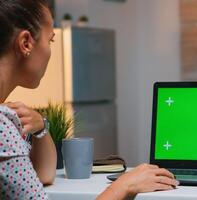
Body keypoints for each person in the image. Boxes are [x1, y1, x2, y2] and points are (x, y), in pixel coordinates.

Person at [0, 0, 178, 199]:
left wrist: (42, 127)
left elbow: (43, 175)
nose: (50, 50)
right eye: (50, 40)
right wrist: (125, 185)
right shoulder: (2, 127)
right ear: (25, 43)